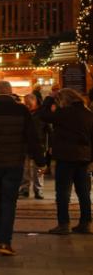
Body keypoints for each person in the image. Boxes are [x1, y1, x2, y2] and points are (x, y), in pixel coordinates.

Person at [0, 81, 45, 256]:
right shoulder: (21, 111)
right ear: (11, 92)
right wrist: (40, 160)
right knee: (9, 201)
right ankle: (5, 240)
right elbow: (32, 137)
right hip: (14, 163)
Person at [39, 88, 93, 235]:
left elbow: (43, 115)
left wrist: (49, 98)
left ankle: (64, 224)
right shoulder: (88, 114)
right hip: (84, 158)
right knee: (84, 193)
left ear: (64, 100)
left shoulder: (64, 113)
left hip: (65, 157)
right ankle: (86, 223)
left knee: (63, 193)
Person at [19, 94, 46, 199]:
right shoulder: (24, 114)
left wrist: (48, 145)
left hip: (39, 144)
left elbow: (48, 130)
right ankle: (24, 189)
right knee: (25, 169)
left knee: (38, 169)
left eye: (29, 103)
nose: (27, 105)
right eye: (25, 103)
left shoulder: (41, 114)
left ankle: (38, 190)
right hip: (25, 144)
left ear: (35, 102)